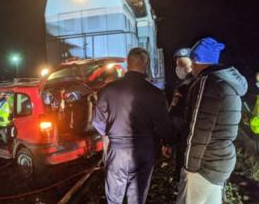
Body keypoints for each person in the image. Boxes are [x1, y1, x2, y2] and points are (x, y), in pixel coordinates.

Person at [93, 47, 175, 204]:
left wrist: (110, 133)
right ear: (146, 65)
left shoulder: (107, 91)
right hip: (144, 150)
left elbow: (97, 122)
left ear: (128, 63)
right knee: (137, 198)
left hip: (117, 150)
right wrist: (170, 141)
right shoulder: (155, 93)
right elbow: (164, 125)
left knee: (113, 198)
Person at [176, 37, 247, 204]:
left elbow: (199, 129)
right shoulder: (228, 83)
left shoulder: (207, 82)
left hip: (203, 165)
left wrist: (188, 167)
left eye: (193, 60)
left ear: (199, 60)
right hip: (220, 161)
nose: (191, 65)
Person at [163, 48, 195, 181]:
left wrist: (168, 142)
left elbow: (175, 118)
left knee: (182, 176)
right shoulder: (202, 82)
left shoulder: (184, 87)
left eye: (181, 65)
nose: (178, 68)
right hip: (198, 143)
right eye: (178, 65)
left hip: (184, 140)